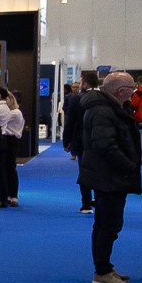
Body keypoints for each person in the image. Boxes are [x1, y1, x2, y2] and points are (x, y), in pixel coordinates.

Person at [79, 70, 142, 283]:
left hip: (107, 175)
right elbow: (105, 145)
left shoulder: (106, 108)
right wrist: (129, 166)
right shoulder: (104, 110)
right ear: (121, 90)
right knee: (108, 225)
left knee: (105, 224)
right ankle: (102, 271)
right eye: (132, 88)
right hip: (109, 176)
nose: (134, 92)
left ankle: (104, 266)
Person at [62, 79, 94, 211]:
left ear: (85, 84)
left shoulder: (76, 100)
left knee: (84, 171)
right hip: (101, 141)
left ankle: (86, 204)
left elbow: (70, 122)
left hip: (82, 140)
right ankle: (98, 200)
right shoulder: (106, 98)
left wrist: (66, 141)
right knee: (100, 171)